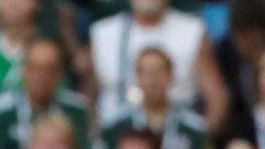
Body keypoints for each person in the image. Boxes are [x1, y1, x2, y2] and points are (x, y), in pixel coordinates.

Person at [87, 0, 224, 131]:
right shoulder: (102, 32)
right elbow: (88, 97)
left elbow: (217, 99)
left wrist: (196, 143)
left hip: (176, 141)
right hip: (117, 142)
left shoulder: (193, 31)